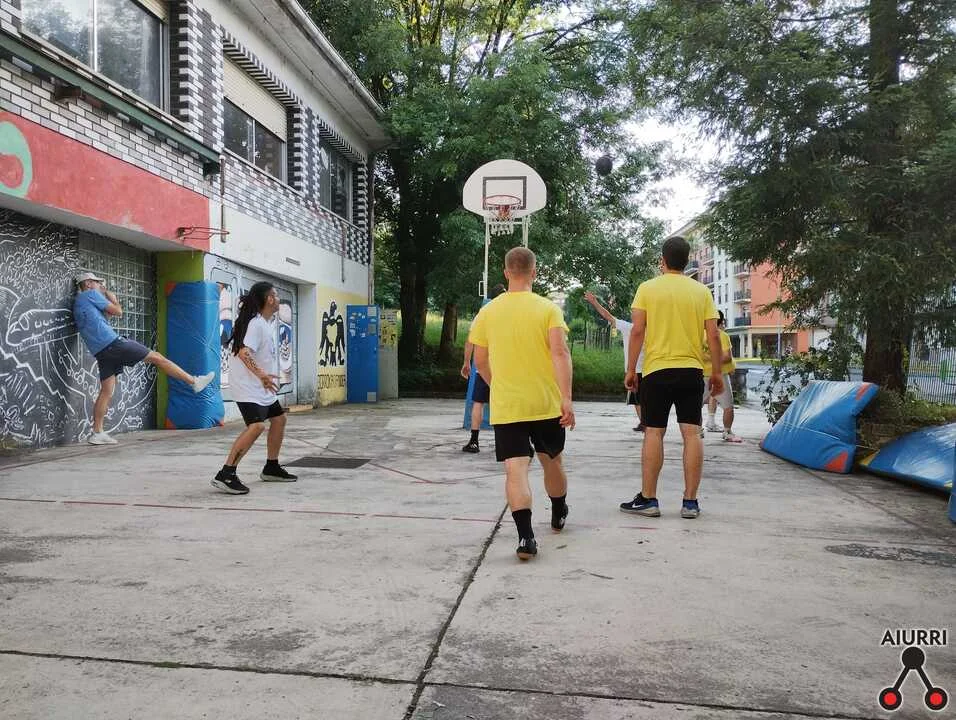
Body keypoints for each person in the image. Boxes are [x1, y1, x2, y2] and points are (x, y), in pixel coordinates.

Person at [469, 248, 575, 561]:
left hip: (508, 405)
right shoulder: (548, 309)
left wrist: (498, 385)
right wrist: (566, 398)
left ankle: (526, 538)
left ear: (506, 272)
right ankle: (558, 511)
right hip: (545, 402)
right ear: (534, 272)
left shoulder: (488, 312)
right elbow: (560, 353)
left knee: (515, 470)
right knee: (552, 461)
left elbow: (480, 360)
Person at [619, 237, 723, 519]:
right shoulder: (701, 292)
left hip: (656, 371)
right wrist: (716, 372)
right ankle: (690, 502)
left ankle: (649, 499)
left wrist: (631, 369)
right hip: (691, 371)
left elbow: (637, 331)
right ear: (687, 261)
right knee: (692, 433)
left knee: (654, 432)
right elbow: (713, 335)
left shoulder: (647, 288)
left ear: (662, 260)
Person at [73, 271, 214, 446]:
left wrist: (105, 299)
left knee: (106, 391)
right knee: (158, 358)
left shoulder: (80, 302)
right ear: (88, 284)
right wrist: (114, 299)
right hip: (113, 343)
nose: (100, 285)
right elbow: (118, 312)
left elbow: (102, 319)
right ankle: (194, 382)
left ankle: (97, 432)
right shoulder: (90, 295)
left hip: (101, 352)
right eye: (96, 282)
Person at [212, 282, 297, 495]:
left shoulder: (263, 323)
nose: (278, 299)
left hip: (260, 388)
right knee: (257, 426)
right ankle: (226, 473)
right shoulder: (257, 324)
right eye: (276, 295)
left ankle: (271, 467)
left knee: (279, 419)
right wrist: (262, 376)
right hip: (248, 387)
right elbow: (244, 352)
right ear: (269, 299)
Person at [583, 290, 646, 431]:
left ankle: (645, 423)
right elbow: (608, 316)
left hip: (635, 370)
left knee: (637, 399)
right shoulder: (650, 330)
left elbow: (608, 316)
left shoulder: (629, 327)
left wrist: (594, 302)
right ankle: (645, 423)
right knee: (640, 399)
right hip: (647, 369)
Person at [461, 284, 506, 453]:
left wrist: (467, 362)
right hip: (506, 367)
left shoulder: (483, 313)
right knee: (508, 403)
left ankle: (474, 442)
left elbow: (470, 341)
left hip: (485, 367)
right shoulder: (511, 312)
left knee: (478, 403)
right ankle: (508, 442)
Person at [702, 310, 742, 443]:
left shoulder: (701, 335)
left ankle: (700, 431)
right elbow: (726, 357)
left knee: (696, 407)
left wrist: (706, 357)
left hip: (708, 375)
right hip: (714, 375)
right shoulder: (721, 335)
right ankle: (726, 432)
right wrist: (714, 357)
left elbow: (727, 358)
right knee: (727, 406)